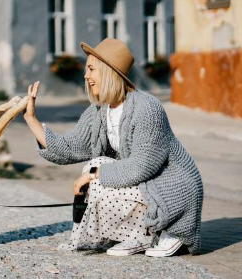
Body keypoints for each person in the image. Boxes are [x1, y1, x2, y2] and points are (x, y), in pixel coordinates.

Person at [23, 38, 203, 257]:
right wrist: (31, 120)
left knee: (96, 172)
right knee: (95, 166)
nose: (86, 76)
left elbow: (142, 166)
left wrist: (93, 176)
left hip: (172, 189)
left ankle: (165, 231)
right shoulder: (99, 111)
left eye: (91, 69)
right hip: (146, 185)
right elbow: (70, 148)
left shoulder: (147, 109)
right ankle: (137, 235)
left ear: (108, 71)